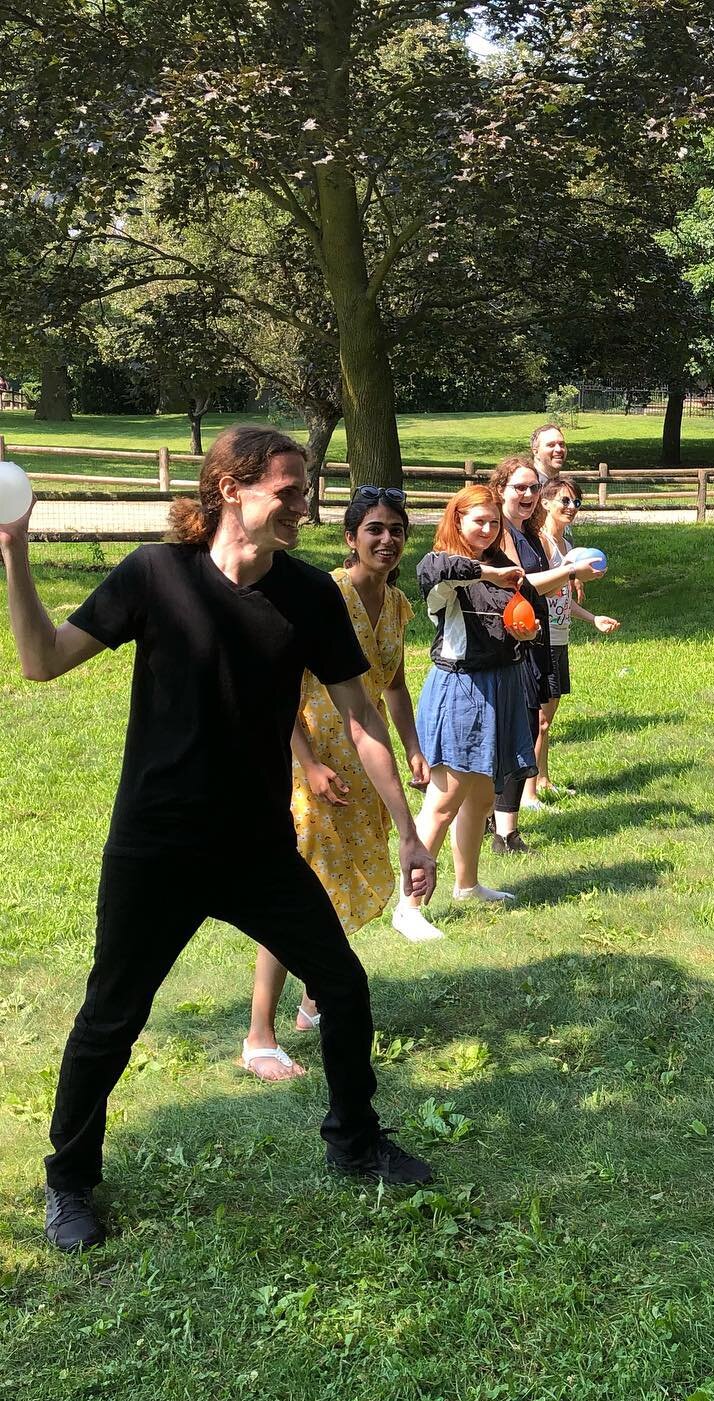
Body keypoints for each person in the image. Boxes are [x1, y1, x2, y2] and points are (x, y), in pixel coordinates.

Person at [0, 424, 438, 1253]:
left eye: (305, 492)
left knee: (342, 987)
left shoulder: (310, 595)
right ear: (230, 490)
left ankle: (353, 1139)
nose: (301, 508)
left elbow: (361, 713)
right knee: (111, 1019)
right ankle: (71, 1182)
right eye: (287, 491)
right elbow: (40, 659)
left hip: (256, 849)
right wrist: (15, 556)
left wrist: (411, 833)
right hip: (156, 847)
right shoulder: (153, 575)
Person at [240, 487, 428, 1079]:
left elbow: (391, 686)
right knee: (298, 891)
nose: (386, 539)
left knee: (340, 879)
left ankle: (312, 1003)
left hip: (364, 763)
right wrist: (309, 763)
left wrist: (414, 747)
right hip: (312, 761)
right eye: (373, 529)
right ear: (350, 538)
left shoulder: (397, 605)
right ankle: (259, 1034)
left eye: (396, 529)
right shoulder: (324, 595)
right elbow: (279, 683)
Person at [390, 481, 542, 941]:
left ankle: (467, 884)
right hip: (460, 689)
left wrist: (526, 625)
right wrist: (487, 574)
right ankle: (408, 905)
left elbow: (523, 602)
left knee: (479, 796)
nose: (489, 528)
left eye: (495, 522)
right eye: (479, 520)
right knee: (444, 800)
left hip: (500, 686)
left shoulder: (501, 565)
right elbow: (434, 569)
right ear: (457, 521)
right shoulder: (444, 572)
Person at [451, 458, 601, 863]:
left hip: (534, 638)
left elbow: (536, 588)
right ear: (500, 489)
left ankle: (503, 829)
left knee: (521, 730)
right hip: (507, 645)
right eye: (520, 488)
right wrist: (569, 572)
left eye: (534, 488)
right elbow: (521, 582)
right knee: (507, 732)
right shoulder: (499, 536)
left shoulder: (529, 533)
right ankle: (489, 823)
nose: (529, 496)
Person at [524, 475, 621, 800]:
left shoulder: (568, 546)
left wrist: (592, 618)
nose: (572, 507)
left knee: (546, 721)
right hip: (540, 638)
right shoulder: (538, 542)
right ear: (546, 502)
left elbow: (563, 597)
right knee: (537, 720)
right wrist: (570, 573)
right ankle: (528, 794)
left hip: (560, 637)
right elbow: (536, 589)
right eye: (565, 500)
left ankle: (543, 780)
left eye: (576, 502)